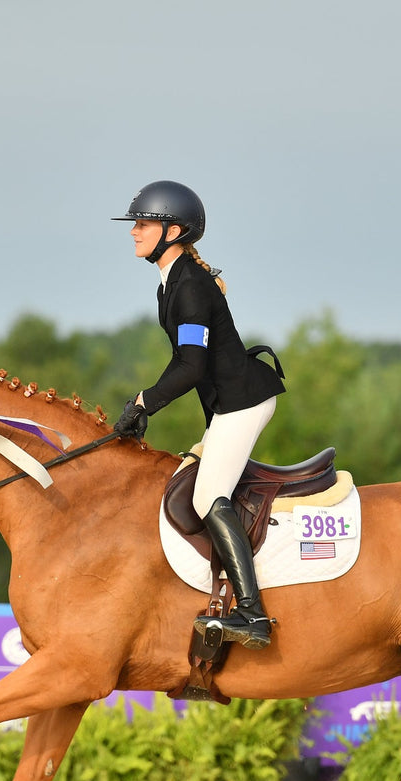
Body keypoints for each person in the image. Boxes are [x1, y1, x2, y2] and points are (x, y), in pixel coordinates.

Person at [111, 180, 286, 649]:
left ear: (174, 230)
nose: (133, 232)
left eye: (142, 224)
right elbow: (186, 363)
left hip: (243, 401)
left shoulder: (189, 286)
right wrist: (146, 401)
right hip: (226, 404)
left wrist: (145, 402)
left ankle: (253, 615)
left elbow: (191, 367)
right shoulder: (172, 282)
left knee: (209, 496)